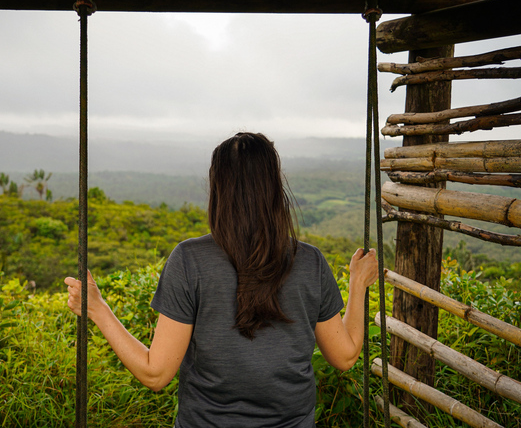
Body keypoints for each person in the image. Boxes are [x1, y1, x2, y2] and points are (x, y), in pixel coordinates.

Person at [65, 132, 379, 428]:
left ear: (219, 188)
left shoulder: (189, 260)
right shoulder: (309, 262)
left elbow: (155, 374)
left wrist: (98, 309)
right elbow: (345, 356)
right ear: (273, 187)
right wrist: (357, 285)